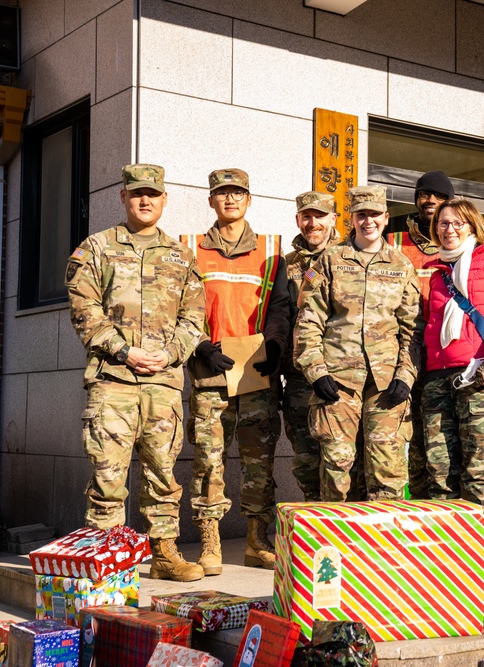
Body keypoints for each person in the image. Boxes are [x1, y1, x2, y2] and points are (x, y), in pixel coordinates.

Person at [66, 164, 206, 582]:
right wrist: (125, 351)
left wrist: (168, 355)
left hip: (162, 384)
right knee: (108, 474)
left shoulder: (181, 256)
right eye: (137, 193)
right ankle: (105, 562)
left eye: (153, 193)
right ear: (123, 198)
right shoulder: (96, 248)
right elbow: (83, 310)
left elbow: (194, 317)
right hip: (113, 381)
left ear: (164, 199)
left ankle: (163, 554)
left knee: (163, 472)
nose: (145, 200)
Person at [183, 168, 289, 572]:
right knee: (209, 459)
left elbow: (279, 307)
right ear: (211, 200)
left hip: (254, 369)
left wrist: (275, 346)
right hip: (210, 369)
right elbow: (181, 305)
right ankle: (210, 541)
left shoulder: (271, 248)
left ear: (249, 199)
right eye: (222, 193)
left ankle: (256, 539)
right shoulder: (191, 247)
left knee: (258, 460)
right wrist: (199, 345)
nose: (230, 199)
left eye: (237, 193)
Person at [296, 185, 424, 501]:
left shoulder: (401, 265)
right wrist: (316, 372)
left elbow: (413, 330)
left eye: (375, 214)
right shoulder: (328, 261)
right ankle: (333, 548)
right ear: (352, 218)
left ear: (386, 217)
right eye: (361, 214)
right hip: (337, 382)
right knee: (336, 476)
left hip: (386, 385)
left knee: (387, 475)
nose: (369, 221)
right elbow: (308, 322)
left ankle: (383, 548)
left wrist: (405, 377)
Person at [421, 198, 484, 503]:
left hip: (479, 377)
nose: (449, 229)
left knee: (477, 471)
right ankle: (445, 546)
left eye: (457, 222)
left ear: (472, 225)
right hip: (438, 378)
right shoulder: (435, 272)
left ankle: (475, 547)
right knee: (439, 473)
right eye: (443, 223)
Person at [387, 170, 454, 498]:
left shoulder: (460, 242)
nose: (430, 201)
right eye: (424, 195)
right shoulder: (393, 240)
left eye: (438, 196)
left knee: (439, 437)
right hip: (401, 351)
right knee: (404, 436)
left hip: (445, 354)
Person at [282, 191, 341, 503]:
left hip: (342, 378)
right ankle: (316, 541)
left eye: (320, 216)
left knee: (343, 464)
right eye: (306, 216)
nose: (313, 223)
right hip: (300, 381)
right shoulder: (287, 265)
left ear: (333, 219)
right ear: (298, 220)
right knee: (306, 463)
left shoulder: (350, 257)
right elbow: (279, 315)